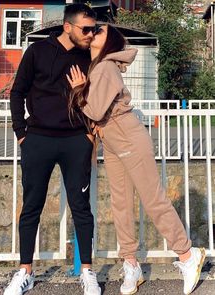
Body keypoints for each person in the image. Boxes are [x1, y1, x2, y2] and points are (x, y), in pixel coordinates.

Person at [67, 24, 206, 295]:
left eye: (100, 31)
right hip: (113, 138)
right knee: (120, 204)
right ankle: (131, 263)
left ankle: (188, 255)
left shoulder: (105, 67)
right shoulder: (99, 66)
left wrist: (79, 89)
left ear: (109, 43)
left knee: (153, 199)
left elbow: (94, 109)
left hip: (128, 137)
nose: (93, 32)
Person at [4, 4, 101, 295]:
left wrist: (87, 132)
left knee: (81, 208)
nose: (91, 34)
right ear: (68, 27)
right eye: (86, 29)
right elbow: (17, 91)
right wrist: (22, 133)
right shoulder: (37, 52)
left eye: (93, 29)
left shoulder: (89, 56)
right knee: (32, 206)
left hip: (75, 141)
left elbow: (97, 96)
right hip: (38, 140)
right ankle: (25, 272)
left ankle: (87, 271)